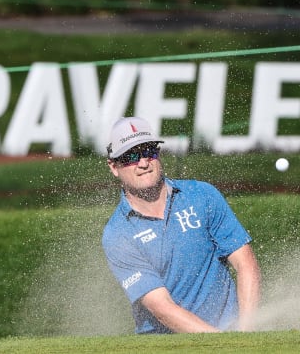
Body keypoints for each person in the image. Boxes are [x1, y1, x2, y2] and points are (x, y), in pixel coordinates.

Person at [102, 116, 261, 334]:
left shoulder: (202, 195)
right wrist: (221, 343)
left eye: (149, 151)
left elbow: (246, 264)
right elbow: (162, 307)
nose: (143, 162)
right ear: (114, 166)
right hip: (168, 344)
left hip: (231, 333)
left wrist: (247, 333)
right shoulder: (118, 234)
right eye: (130, 156)